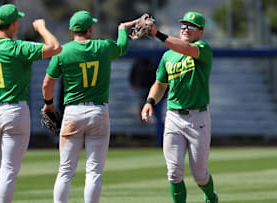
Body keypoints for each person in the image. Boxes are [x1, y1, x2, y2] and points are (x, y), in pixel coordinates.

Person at [41, 10, 139, 203]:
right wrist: (122, 29)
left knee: (66, 170)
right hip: (98, 112)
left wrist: (49, 105)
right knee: (94, 171)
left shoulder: (63, 51)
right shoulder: (103, 46)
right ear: (91, 29)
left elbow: (47, 84)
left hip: (73, 112)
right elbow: (122, 47)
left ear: (71, 29)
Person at [0, 4, 61, 203]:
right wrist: (42, 29)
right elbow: (55, 47)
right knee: (9, 172)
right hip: (14, 111)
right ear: (13, 24)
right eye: (17, 20)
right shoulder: (19, 48)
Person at [141, 12, 218, 203]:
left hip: (197, 118)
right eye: (183, 25)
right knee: (174, 172)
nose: (185, 29)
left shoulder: (203, 49)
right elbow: (159, 85)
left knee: (200, 175)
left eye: (191, 26)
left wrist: (157, 34)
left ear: (200, 31)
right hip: (174, 116)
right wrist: (150, 101)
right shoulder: (168, 56)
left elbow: (186, 49)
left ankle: (211, 197)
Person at [129, 58, 165, 146]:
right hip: (141, 87)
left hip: (150, 87)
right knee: (142, 103)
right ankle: (143, 119)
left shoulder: (151, 64)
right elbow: (132, 74)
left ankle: (152, 118)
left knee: (153, 105)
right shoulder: (138, 63)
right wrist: (133, 83)